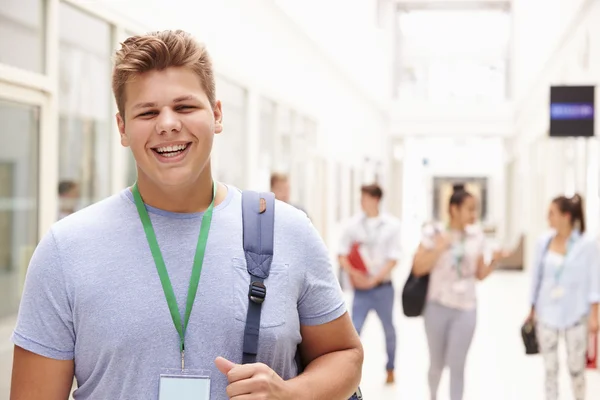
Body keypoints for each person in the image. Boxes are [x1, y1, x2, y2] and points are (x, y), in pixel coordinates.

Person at [10, 30, 363, 400]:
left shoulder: (286, 230)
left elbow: (345, 355)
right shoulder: (66, 250)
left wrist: (293, 394)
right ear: (122, 129)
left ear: (217, 114)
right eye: (147, 112)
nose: (167, 124)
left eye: (185, 107)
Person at [412, 183, 505, 400]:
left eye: (476, 209)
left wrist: (495, 262)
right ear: (454, 209)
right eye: (470, 209)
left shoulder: (477, 236)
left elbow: (480, 274)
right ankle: (433, 395)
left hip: (466, 308)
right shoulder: (434, 233)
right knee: (436, 363)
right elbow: (418, 267)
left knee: (458, 363)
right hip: (437, 306)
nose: (474, 214)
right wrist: (440, 247)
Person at [526, 194, 599, 400]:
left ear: (566, 216)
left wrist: (595, 315)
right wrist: (531, 309)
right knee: (550, 369)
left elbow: (594, 280)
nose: (547, 218)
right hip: (547, 311)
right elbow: (536, 278)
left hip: (576, 313)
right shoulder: (543, 242)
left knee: (576, 368)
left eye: (552, 213)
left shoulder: (586, 244)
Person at [338, 183, 401, 385]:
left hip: (383, 289)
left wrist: (374, 279)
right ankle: (349, 374)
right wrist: (354, 274)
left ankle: (390, 368)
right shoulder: (353, 225)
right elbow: (341, 254)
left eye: (365, 198)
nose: (361, 202)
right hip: (361, 291)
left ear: (376, 199)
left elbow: (394, 258)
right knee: (354, 331)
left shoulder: (391, 225)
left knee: (389, 329)